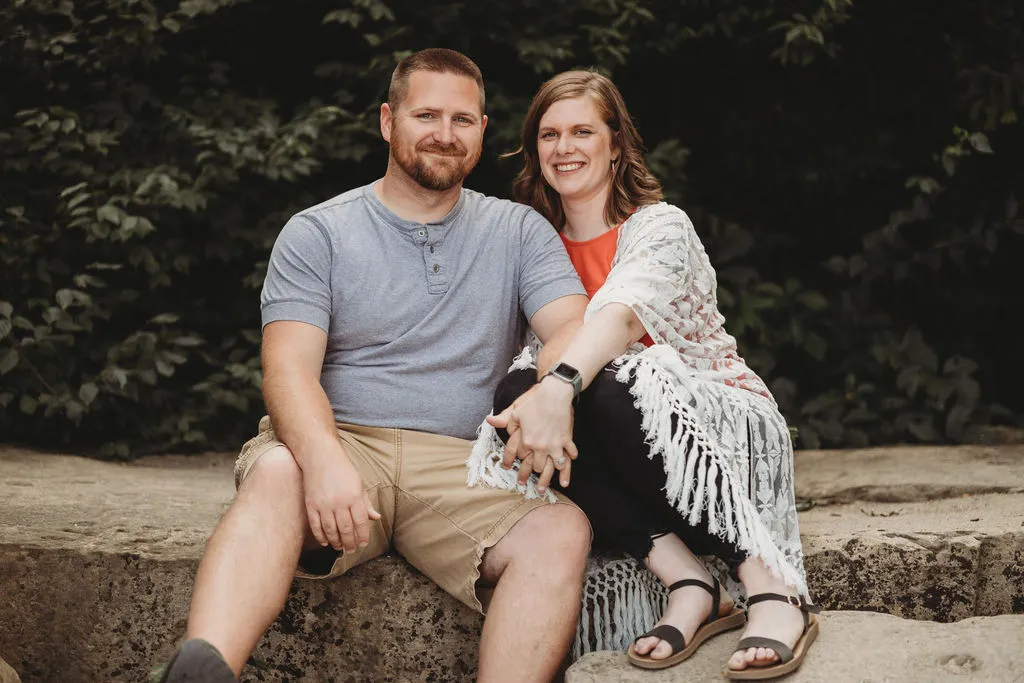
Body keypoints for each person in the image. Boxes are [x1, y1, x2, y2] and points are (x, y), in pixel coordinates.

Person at [156, 49, 594, 683]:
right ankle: (201, 671)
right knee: (279, 470)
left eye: (463, 120)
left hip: (460, 462)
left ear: (482, 129)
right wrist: (327, 461)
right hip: (342, 444)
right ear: (389, 122)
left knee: (562, 530)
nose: (445, 133)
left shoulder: (519, 231)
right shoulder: (318, 233)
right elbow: (287, 371)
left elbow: (570, 328)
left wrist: (555, 386)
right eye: (427, 115)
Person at [467, 70, 819, 679]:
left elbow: (620, 320)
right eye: (548, 134)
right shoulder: (536, 243)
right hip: (625, 457)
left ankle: (769, 584)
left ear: (616, 144)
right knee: (513, 395)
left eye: (582, 131)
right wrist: (541, 393)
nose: (564, 147)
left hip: (715, 433)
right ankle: (686, 580)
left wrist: (558, 388)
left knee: (605, 381)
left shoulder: (659, 226)